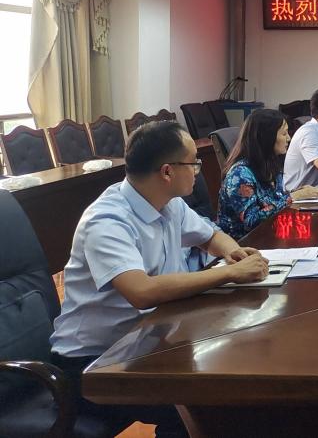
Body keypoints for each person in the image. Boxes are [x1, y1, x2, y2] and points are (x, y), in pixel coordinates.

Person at [50, 121, 270, 437]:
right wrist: (228, 273)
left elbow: (211, 236)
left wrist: (233, 253)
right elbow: (141, 292)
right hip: (94, 363)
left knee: (235, 379)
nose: (197, 170)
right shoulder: (107, 220)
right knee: (208, 405)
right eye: (193, 163)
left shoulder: (169, 203)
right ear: (167, 172)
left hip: (149, 342)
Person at [217, 109, 318, 240]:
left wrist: (299, 193)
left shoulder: (271, 163)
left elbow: (275, 200)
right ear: (266, 137)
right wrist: (292, 197)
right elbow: (251, 221)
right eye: (284, 133)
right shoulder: (240, 174)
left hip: (272, 234)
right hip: (244, 244)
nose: (289, 138)